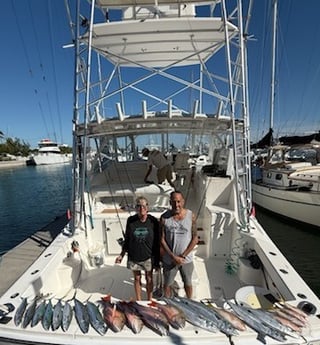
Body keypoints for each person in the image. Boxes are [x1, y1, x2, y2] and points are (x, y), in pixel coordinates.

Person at [115, 196, 160, 300]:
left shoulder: (153, 221)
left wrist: (157, 261)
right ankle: (138, 300)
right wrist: (121, 255)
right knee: (137, 278)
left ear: (147, 207)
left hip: (148, 256)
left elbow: (157, 242)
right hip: (134, 255)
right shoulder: (131, 220)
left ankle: (150, 299)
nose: (141, 208)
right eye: (138, 206)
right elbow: (127, 239)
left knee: (149, 278)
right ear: (136, 208)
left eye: (144, 205)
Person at [160, 191, 198, 298]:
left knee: (188, 282)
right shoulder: (164, 218)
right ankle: (168, 302)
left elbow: (195, 238)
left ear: (183, 201)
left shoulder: (191, 216)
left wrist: (183, 256)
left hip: (186, 259)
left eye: (178, 201)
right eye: (173, 202)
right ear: (170, 202)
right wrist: (173, 256)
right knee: (167, 284)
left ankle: (190, 301)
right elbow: (162, 240)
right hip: (169, 259)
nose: (176, 205)